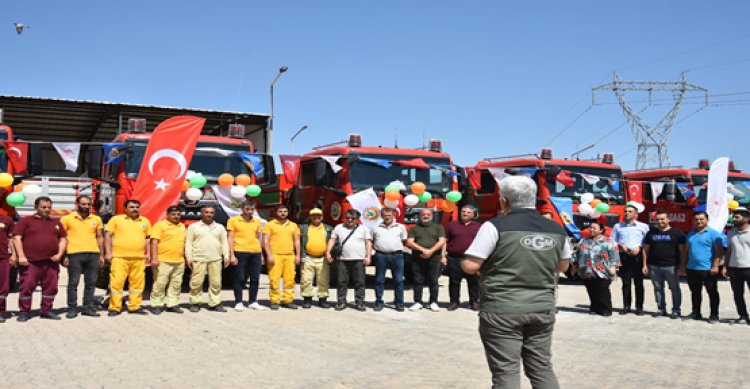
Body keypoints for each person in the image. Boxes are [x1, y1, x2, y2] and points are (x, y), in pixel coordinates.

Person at [462, 176, 571, 389]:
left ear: (504, 201)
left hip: (502, 309)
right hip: (542, 308)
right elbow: (563, 267)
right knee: (541, 367)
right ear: (534, 199)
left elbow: (471, 266)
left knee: (506, 371)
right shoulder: (557, 229)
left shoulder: (494, 226)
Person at [12, 196, 67, 321]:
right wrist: (20, 256)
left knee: (51, 287)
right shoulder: (26, 221)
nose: (46, 209)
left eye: (49, 207)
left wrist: (59, 254)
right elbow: (16, 238)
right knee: (26, 287)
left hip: (51, 262)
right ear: (36, 207)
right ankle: (24, 312)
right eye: (43, 207)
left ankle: (46, 310)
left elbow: (63, 239)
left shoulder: (56, 223)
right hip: (30, 262)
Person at [60, 195, 104, 319]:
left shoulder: (96, 219)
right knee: (73, 283)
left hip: (93, 254)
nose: (86, 207)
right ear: (77, 204)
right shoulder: (67, 219)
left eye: (88, 204)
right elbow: (62, 238)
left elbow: (100, 237)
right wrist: (64, 255)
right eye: (83, 204)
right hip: (74, 254)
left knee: (90, 283)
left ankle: (87, 308)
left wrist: (101, 255)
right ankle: (72, 308)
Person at [105, 199, 151, 316]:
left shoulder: (145, 221)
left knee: (137, 284)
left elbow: (147, 239)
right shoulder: (116, 219)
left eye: (137, 207)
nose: (135, 209)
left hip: (139, 258)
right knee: (117, 283)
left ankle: (135, 306)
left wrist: (148, 253)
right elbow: (108, 236)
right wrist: (108, 253)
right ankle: (115, 307)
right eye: (131, 207)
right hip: (119, 257)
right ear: (125, 209)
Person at [642, 211, 686, 319]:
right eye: (657, 219)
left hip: (671, 266)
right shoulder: (651, 233)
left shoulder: (677, 233)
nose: (660, 221)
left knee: (674, 288)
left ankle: (676, 310)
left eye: (662, 219)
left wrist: (682, 266)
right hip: (654, 266)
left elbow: (683, 251)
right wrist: (644, 265)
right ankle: (661, 309)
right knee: (658, 288)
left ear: (668, 219)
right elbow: (645, 250)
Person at [186, 205, 230, 313]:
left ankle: (215, 303)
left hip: (215, 258)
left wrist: (227, 256)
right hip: (198, 258)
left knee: (216, 283)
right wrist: (189, 257)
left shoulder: (219, 227)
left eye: (211, 213)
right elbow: (188, 243)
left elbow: (224, 242)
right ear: (202, 213)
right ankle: (195, 303)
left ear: (214, 214)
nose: (209, 214)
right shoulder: (193, 227)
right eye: (207, 212)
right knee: (196, 282)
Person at [682, 211, 723, 323]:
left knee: (712, 292)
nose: (699, 221)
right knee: (695, 292)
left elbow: (719, 252)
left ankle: (714, 315)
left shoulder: (713, 234)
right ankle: (696, 313)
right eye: (696, 219)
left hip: (707, 269)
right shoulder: (690, 234)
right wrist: (683, 266)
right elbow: (686, 251)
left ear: (707, 220)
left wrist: (715, 266)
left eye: (701, 219)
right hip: (692, 268)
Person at [327, 209, 372, 311]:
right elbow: (332, 239)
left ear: (357, 219)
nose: (350, 220)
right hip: (342, 259)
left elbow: (368, 243)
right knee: (342, 282)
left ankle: (360, 302)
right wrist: (328, 252)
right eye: (347, 218)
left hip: (359, 259)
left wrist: (368, 256)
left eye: (353, 218)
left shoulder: (364, 229)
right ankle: (341, 302)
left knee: (360, 282)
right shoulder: (339, 227)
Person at [611, 204, 650, 315]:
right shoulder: (618, 226)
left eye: (630, 211)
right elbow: (612, 240)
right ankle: (626, 306)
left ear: (636, 214)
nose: (627, 213)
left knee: (639, 283)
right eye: (626, 211)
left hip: (638, 257)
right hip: (624, 256)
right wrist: (620, 245)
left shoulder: (643, 226)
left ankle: (639, 307)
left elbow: (647, 242)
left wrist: (640, 247)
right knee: (626, 283)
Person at [574, 221, 619, 316]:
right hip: (587, 269)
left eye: (594, 228)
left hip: (603, 270)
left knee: (602, 288)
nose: (591, 229)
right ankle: (594, 308)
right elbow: (576, 253)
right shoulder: (583, 240)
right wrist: (574, 265)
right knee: (591, 289)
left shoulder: (608, 241)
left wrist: (613, 266)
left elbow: (614, 254)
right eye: (590, 227)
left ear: (601, 230)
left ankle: (606, 309)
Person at [228, 201, 265, 311]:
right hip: (240, 251)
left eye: (252, 208)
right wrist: (232, 255)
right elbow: (230, 237)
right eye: (247, 208)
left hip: (255, 252)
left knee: (255, 278)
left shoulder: (257, 221)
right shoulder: (233, 220)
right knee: (239, 278)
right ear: (242, 208)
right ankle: (239, 301)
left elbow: (258, 237)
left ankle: (253, 301)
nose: (250, 210)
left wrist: (261, 254)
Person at [406, 208, 446, 312]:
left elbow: (442, 241)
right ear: (420, 216)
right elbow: (410, 242)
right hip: (417, 258)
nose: (426, 216)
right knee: (417, 280)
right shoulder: (414, 228)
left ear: (432, 216)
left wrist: (431, 251)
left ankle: (433, 302)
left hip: (434, 258)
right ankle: (418, 302)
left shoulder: (439, 227)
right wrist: (424, 250)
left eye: (428, 214)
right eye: (424, 214)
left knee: (433, 280)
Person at [149, 206, 187, 315]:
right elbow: (154, 242)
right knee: (160, 283)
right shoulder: (159, 225)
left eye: (178, 214)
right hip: (163, 260)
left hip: (179, 260)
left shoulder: (182, 226)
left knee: (176, 284)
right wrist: (154, 258)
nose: (176, 216)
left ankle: (172, 304)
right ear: (167, 215)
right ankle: (157, 304)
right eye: (173, 214)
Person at [263, 204, 301, 310]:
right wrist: (269, 255)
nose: (283, 213)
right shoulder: (270, 225)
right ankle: (274, 300)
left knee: (290, 279)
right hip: (275, 255)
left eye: (285, 211)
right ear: (276, 212)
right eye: (280, 211)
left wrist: (297, 255)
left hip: (290, 255)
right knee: (274, 279)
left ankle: (288, 300)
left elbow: (297, 241)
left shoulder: (293, 225)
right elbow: (265, 241)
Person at [444, 205, 481, 311]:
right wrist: (443, 256)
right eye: (463, 211)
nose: (465, 213)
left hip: (471, 258)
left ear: (473, 215)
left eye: (468, 212)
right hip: (454, 258)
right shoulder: (451, 225)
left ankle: (474, 302)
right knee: (454, 281)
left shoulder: (478, 226)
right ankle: (454, 302)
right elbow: (444, 241)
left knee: (473, 281)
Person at [371, 207, 407, 312]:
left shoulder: (400, 227)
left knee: (399, 280)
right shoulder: (375, 227)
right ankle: (378, 301)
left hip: (397, 256)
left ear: (393, 215)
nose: (387, 218)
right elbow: (370, 241)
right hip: (381, 256)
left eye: (389, 215)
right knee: (379, 280)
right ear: (381, 216)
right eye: (385, 216)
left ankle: (399, 302)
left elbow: (404, 241)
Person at [299, 208, 333, 309]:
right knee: (306, 279)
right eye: (313, 215)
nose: (316, 217)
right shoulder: (303, 228)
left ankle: (322, 299)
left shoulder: (328, 229)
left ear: (322, 217)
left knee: (323, 280)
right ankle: (307, 300)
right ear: (310, 217)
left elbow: (334, 241)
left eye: (318, 215)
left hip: (323, 258)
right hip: (308, 257)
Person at [724, 206, 750, 325]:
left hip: (748, 268)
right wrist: (725, 266)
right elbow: (729, 250)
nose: (734, 219)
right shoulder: (731, 233)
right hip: (734, 268)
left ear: (746, 219)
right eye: (734, 217)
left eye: (737, 217)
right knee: (738, 294)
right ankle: (743, 316)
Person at [0, 211, 14, 323]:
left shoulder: (7, 220)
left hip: (3, 257)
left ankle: (0, 312)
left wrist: (14, 254)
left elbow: (11, 238)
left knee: (3, 285)